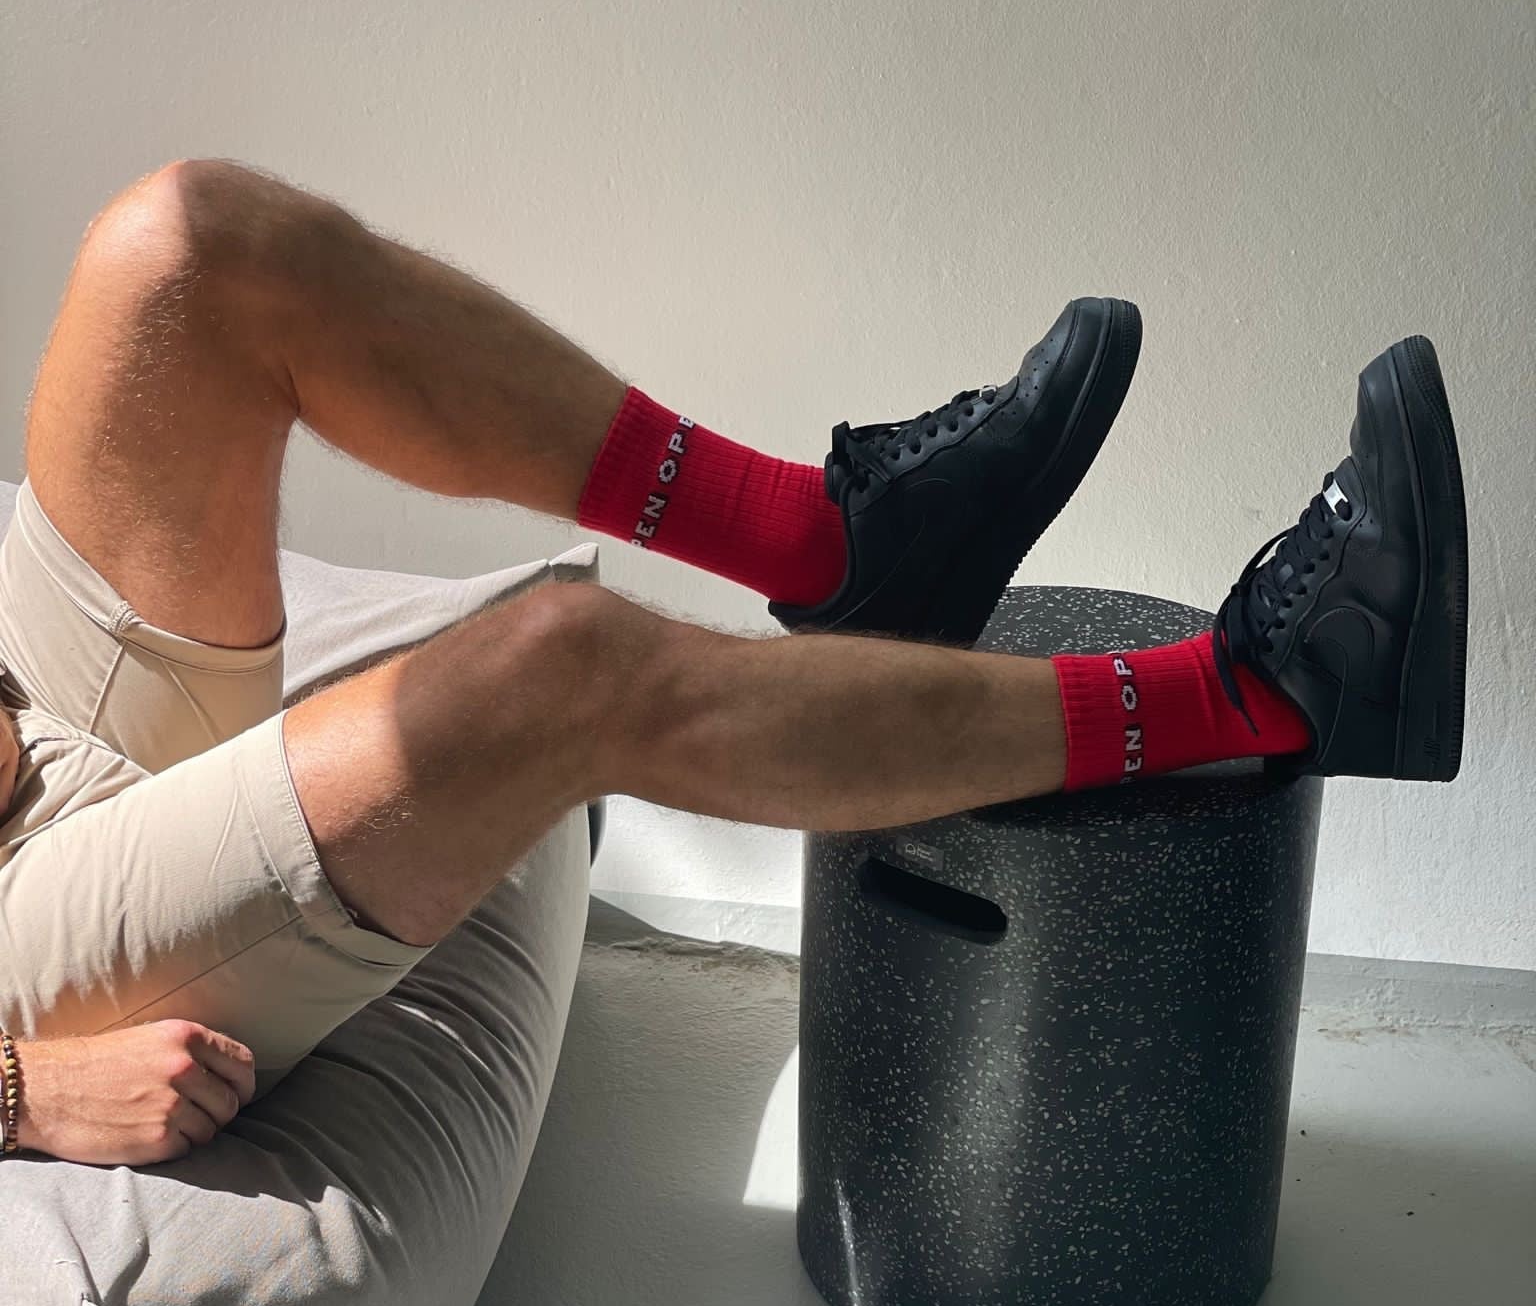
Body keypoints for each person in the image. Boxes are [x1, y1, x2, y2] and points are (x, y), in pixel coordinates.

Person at [0, 161, 1467, 1168]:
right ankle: (1264, 694)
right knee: (558, 674)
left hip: (33, 706)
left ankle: (831, 548)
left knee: (187, 246)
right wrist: (16, 1088)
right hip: (26, 948)